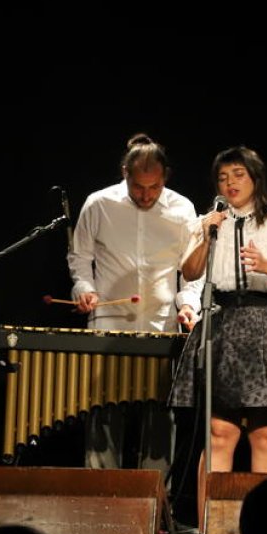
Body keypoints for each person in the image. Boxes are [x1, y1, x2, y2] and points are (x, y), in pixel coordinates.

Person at [169, 145, 267, 517]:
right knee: (220, 432)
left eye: (237, 174)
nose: (229, 182)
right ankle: (212, 525)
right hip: (223, 320)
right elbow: (188, 272)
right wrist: (206, 235)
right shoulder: (209, 222)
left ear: (255, 177)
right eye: (222, 177)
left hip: (266, 324)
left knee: (266, 433)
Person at [67, 133, 204, 470]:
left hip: (161, 323)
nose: (146, 196)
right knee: (102, 414)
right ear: (124, 173)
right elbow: (79, 256)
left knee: (160, 418)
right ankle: (102, 498)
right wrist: (84, 287)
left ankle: (154, 502)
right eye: (138, 187)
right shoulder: (98, 204)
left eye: (154, 187)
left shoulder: (183, 208)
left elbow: (192, 269)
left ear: (165, 177)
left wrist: (188, 303)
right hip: (109, 322)